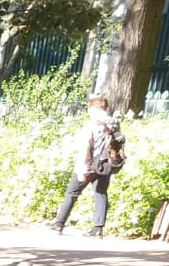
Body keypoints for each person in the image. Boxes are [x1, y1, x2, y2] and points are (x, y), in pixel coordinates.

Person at [48, 94, 122, 238]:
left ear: (94, 110)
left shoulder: (92, 126)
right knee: (101, 193)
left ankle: (59, 224)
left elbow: (86, 148)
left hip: (89, 164)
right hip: (105, 164)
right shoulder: (113, 125)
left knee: (72, 192)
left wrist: (84, 168)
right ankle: (98, 228)